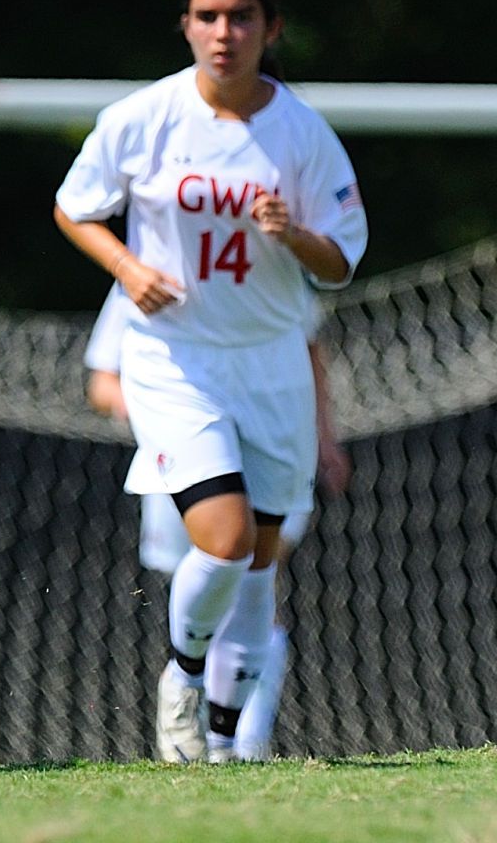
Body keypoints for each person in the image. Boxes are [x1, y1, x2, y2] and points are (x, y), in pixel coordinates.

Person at [54, 0, 368, 763]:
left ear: (272, 28)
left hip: (270, 364)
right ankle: (181, 687)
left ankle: (227, 745)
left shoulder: (301, 133)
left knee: (259, 564)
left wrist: (292, 233)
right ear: (186, 24)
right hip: (176, 361)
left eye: (241, 16)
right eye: (208, 16)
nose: (223, 32)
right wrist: (128, 270)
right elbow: (75, 206)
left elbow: (343, 258)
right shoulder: (144, 117)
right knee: (224, 539)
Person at [84, 282, 350, 759]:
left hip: (266, 434)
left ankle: (240, 740)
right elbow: (103, 380)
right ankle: (188, 703)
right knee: (212, 574)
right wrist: (156, 405)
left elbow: (308, 348)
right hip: (185, 448)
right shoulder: (145, 267)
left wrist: (324, 437)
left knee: (257, 573)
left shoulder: (270, 259)